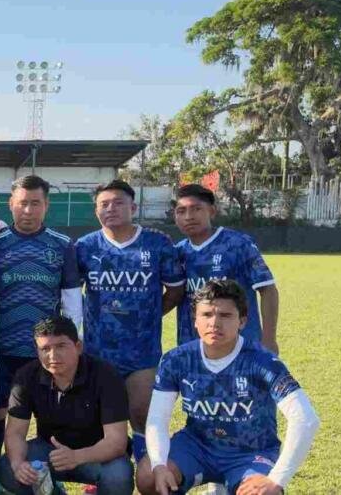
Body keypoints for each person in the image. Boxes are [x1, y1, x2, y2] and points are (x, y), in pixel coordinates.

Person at [139, 280, 320, 495]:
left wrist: (276, 480)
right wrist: (159, 464)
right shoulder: (176, 359)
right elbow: (158, 419)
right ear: (195, 320)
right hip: (197, 446)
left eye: (225, 315)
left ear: (242, 321)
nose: (214, 323)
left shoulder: (263, 362)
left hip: (250, 452)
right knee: (149, 476)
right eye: (206, 315)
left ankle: (229, 485)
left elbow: (305, 418)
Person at [74, 179, 185, 461]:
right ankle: (107, 478)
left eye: (118, 203)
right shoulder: (85, 246)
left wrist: (149, 314)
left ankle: (148, 473)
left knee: (142, 414)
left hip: (142, 350)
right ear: (96, 210)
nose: (111, 209)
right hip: (97, 351)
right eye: (103, 205)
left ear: (133, 207)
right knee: (104, 418)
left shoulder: (157, 243)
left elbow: (175, 289)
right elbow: (71, 294)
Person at [0, 175, 82, 452]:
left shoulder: (61, 244)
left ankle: (48, 474)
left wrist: (69, 343)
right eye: (22, 203)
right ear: (10, 204)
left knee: (50, 413)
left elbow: (71, 297)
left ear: (46, 205)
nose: (28, 210)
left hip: (46, 350)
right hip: (2, 346)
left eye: (35, 203)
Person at [0, 316, 133, 495]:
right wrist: (18, 463)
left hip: (95, 453)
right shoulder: (26, 376)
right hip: (49, 452)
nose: (52, 356)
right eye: (45, 348)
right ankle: (53, 492)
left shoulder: (106, 375)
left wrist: (77, 457)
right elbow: (15, 432)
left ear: (78, 347)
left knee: (119, 476)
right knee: (7, 469)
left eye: (61, 346)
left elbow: (116, 442)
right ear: (37, 351)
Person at [172, 183, 279, 352]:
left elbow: (268, 289)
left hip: (240, 345)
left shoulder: (237, 244)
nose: (188, 217)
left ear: (212, 212)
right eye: (181, 211)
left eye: (196, 209)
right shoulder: (177, 252)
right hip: (192, 348)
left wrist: (269, 339)